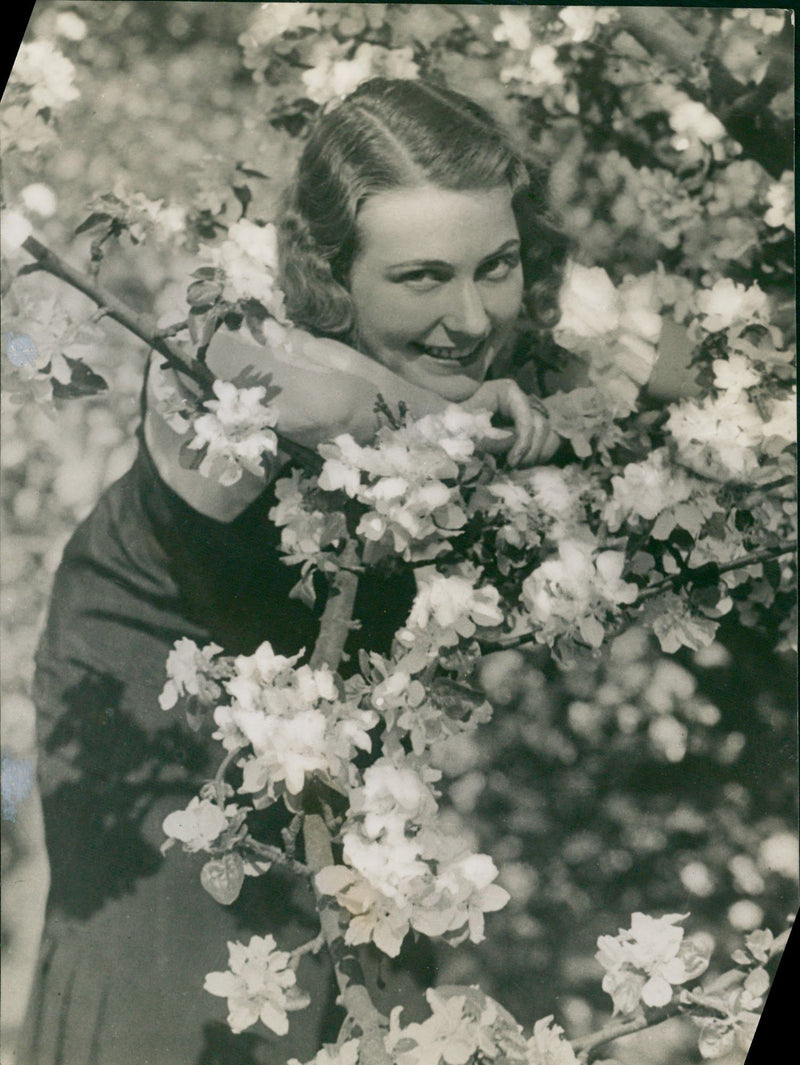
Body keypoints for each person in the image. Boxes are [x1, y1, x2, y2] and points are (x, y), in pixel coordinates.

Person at [20, 78, 568, 1065]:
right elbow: (298, 403)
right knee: (190, 1003)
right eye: (420, 278)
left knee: (366, 981)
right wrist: (444, 416)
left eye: (499, 264)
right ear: (324, 269)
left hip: (333, 696)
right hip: (157, 687)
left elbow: (655, 372)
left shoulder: (477, 336)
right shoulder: (226, 337)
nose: (473, 313)